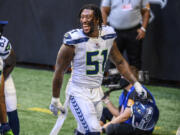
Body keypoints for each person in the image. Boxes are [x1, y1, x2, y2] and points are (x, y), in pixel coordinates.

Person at [49, 4, 147, 135]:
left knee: (84, 131)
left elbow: (120, 62)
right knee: (94, 130)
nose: (84, 20)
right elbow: (59, 71)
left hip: (97, 91)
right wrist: (55, 98)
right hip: (78, 91)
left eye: (88, 17)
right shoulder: (74, 40)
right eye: (82, 17)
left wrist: (136, 83)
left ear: (98, 20)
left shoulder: (108, 35)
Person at [101, 0, 150, 79]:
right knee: (114, 58)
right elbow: (104, 10)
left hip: (134, 31)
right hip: (114, 31)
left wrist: (143, 29)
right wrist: (104, 29)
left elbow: (146, 11)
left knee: (135, 59)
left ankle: (135, 83)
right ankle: (113, 80)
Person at [0, 21, 20, 135]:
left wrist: (3, 77)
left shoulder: (3, 44)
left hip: (3, 75)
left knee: (11, 109)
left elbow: (11, 62)